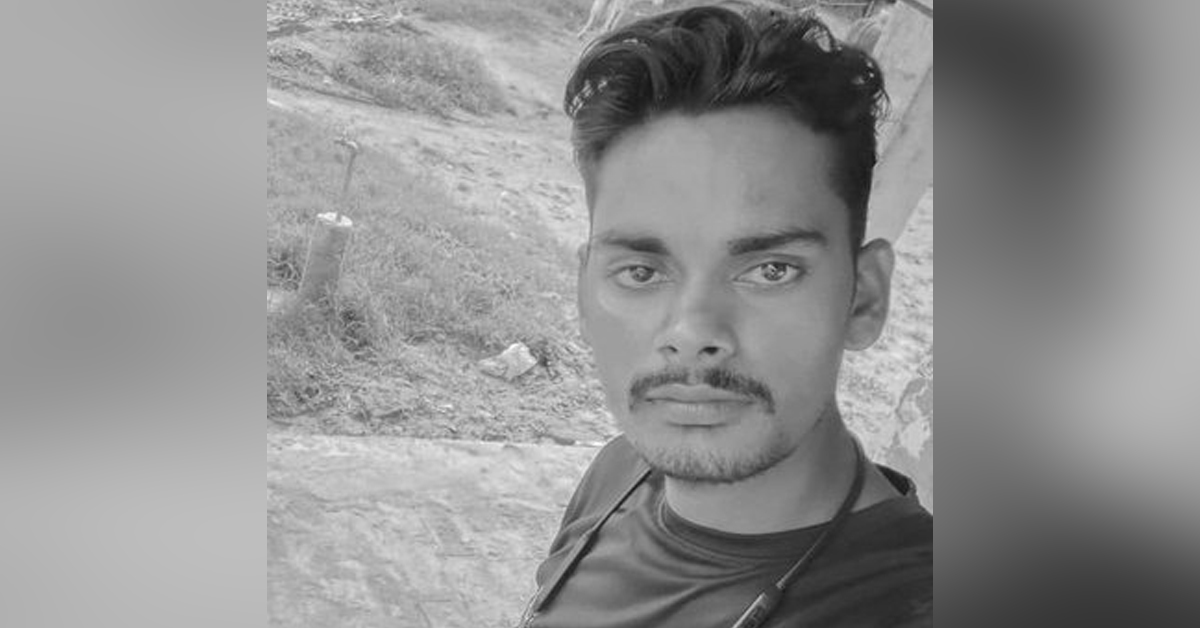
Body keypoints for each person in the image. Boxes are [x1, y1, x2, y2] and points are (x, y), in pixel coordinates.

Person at [521, 4, 931, 627]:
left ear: (865, 297)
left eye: (770, 270)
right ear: (584, 292)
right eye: (641, 272)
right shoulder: (619, 473)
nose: (692, 333)